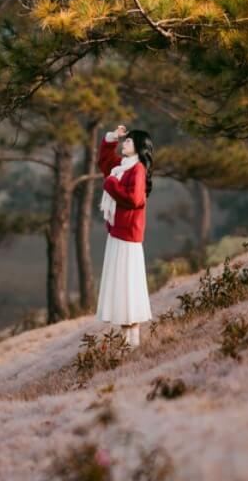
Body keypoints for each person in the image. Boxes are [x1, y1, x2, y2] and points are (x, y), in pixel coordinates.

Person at [95, 123, 154, 347]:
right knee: (122, 287)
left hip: (127, 236)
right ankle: (127, 344)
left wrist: (110, 184)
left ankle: (133, 343)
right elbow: (103, 161)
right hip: (118, 233)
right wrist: (112, 137)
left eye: (128, 140)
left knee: (128, 286)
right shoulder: (122, 166)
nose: (124, 143)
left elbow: (135, 200)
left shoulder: (137, 169)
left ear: (138, 146)